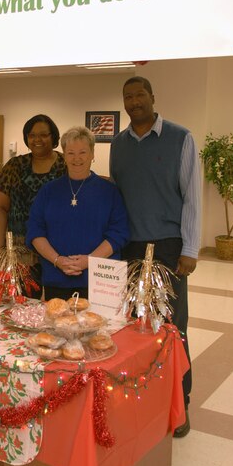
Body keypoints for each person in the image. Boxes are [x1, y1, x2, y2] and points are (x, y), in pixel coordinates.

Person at [110, 76, 201, 438]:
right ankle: (141, 397)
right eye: (127, 97)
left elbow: (192, 196)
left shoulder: (181, 138)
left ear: (152, 96)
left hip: (167, 246)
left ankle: (181, 403)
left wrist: (190, 249)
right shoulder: (118, 144)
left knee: (172, 329)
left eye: (139, 94)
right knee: (135, 327)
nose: (134, 101)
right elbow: (117, 195)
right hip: (131, 247)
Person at [26, 126, 129, 300]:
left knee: (101, 327)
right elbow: (35, 231)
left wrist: (89, 260)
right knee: (57, 325)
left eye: (83, 152)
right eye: (71, 153)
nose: (77, 158)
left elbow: (119, 234)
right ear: (64, 156)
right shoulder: (48, 191)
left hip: (100, 282)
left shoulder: (109, 191)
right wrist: (58, 260)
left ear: (92, 154)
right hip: (56, 277)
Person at [0, 114, 66, 284]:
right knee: (22, 304)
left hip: (57, 249)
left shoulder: (65, 165)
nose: (37, 140)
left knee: (56, 304)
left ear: (53, 137)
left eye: (43, 135)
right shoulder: (15, 166)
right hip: (20, 252)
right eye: (32, 135)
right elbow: (0, 207)